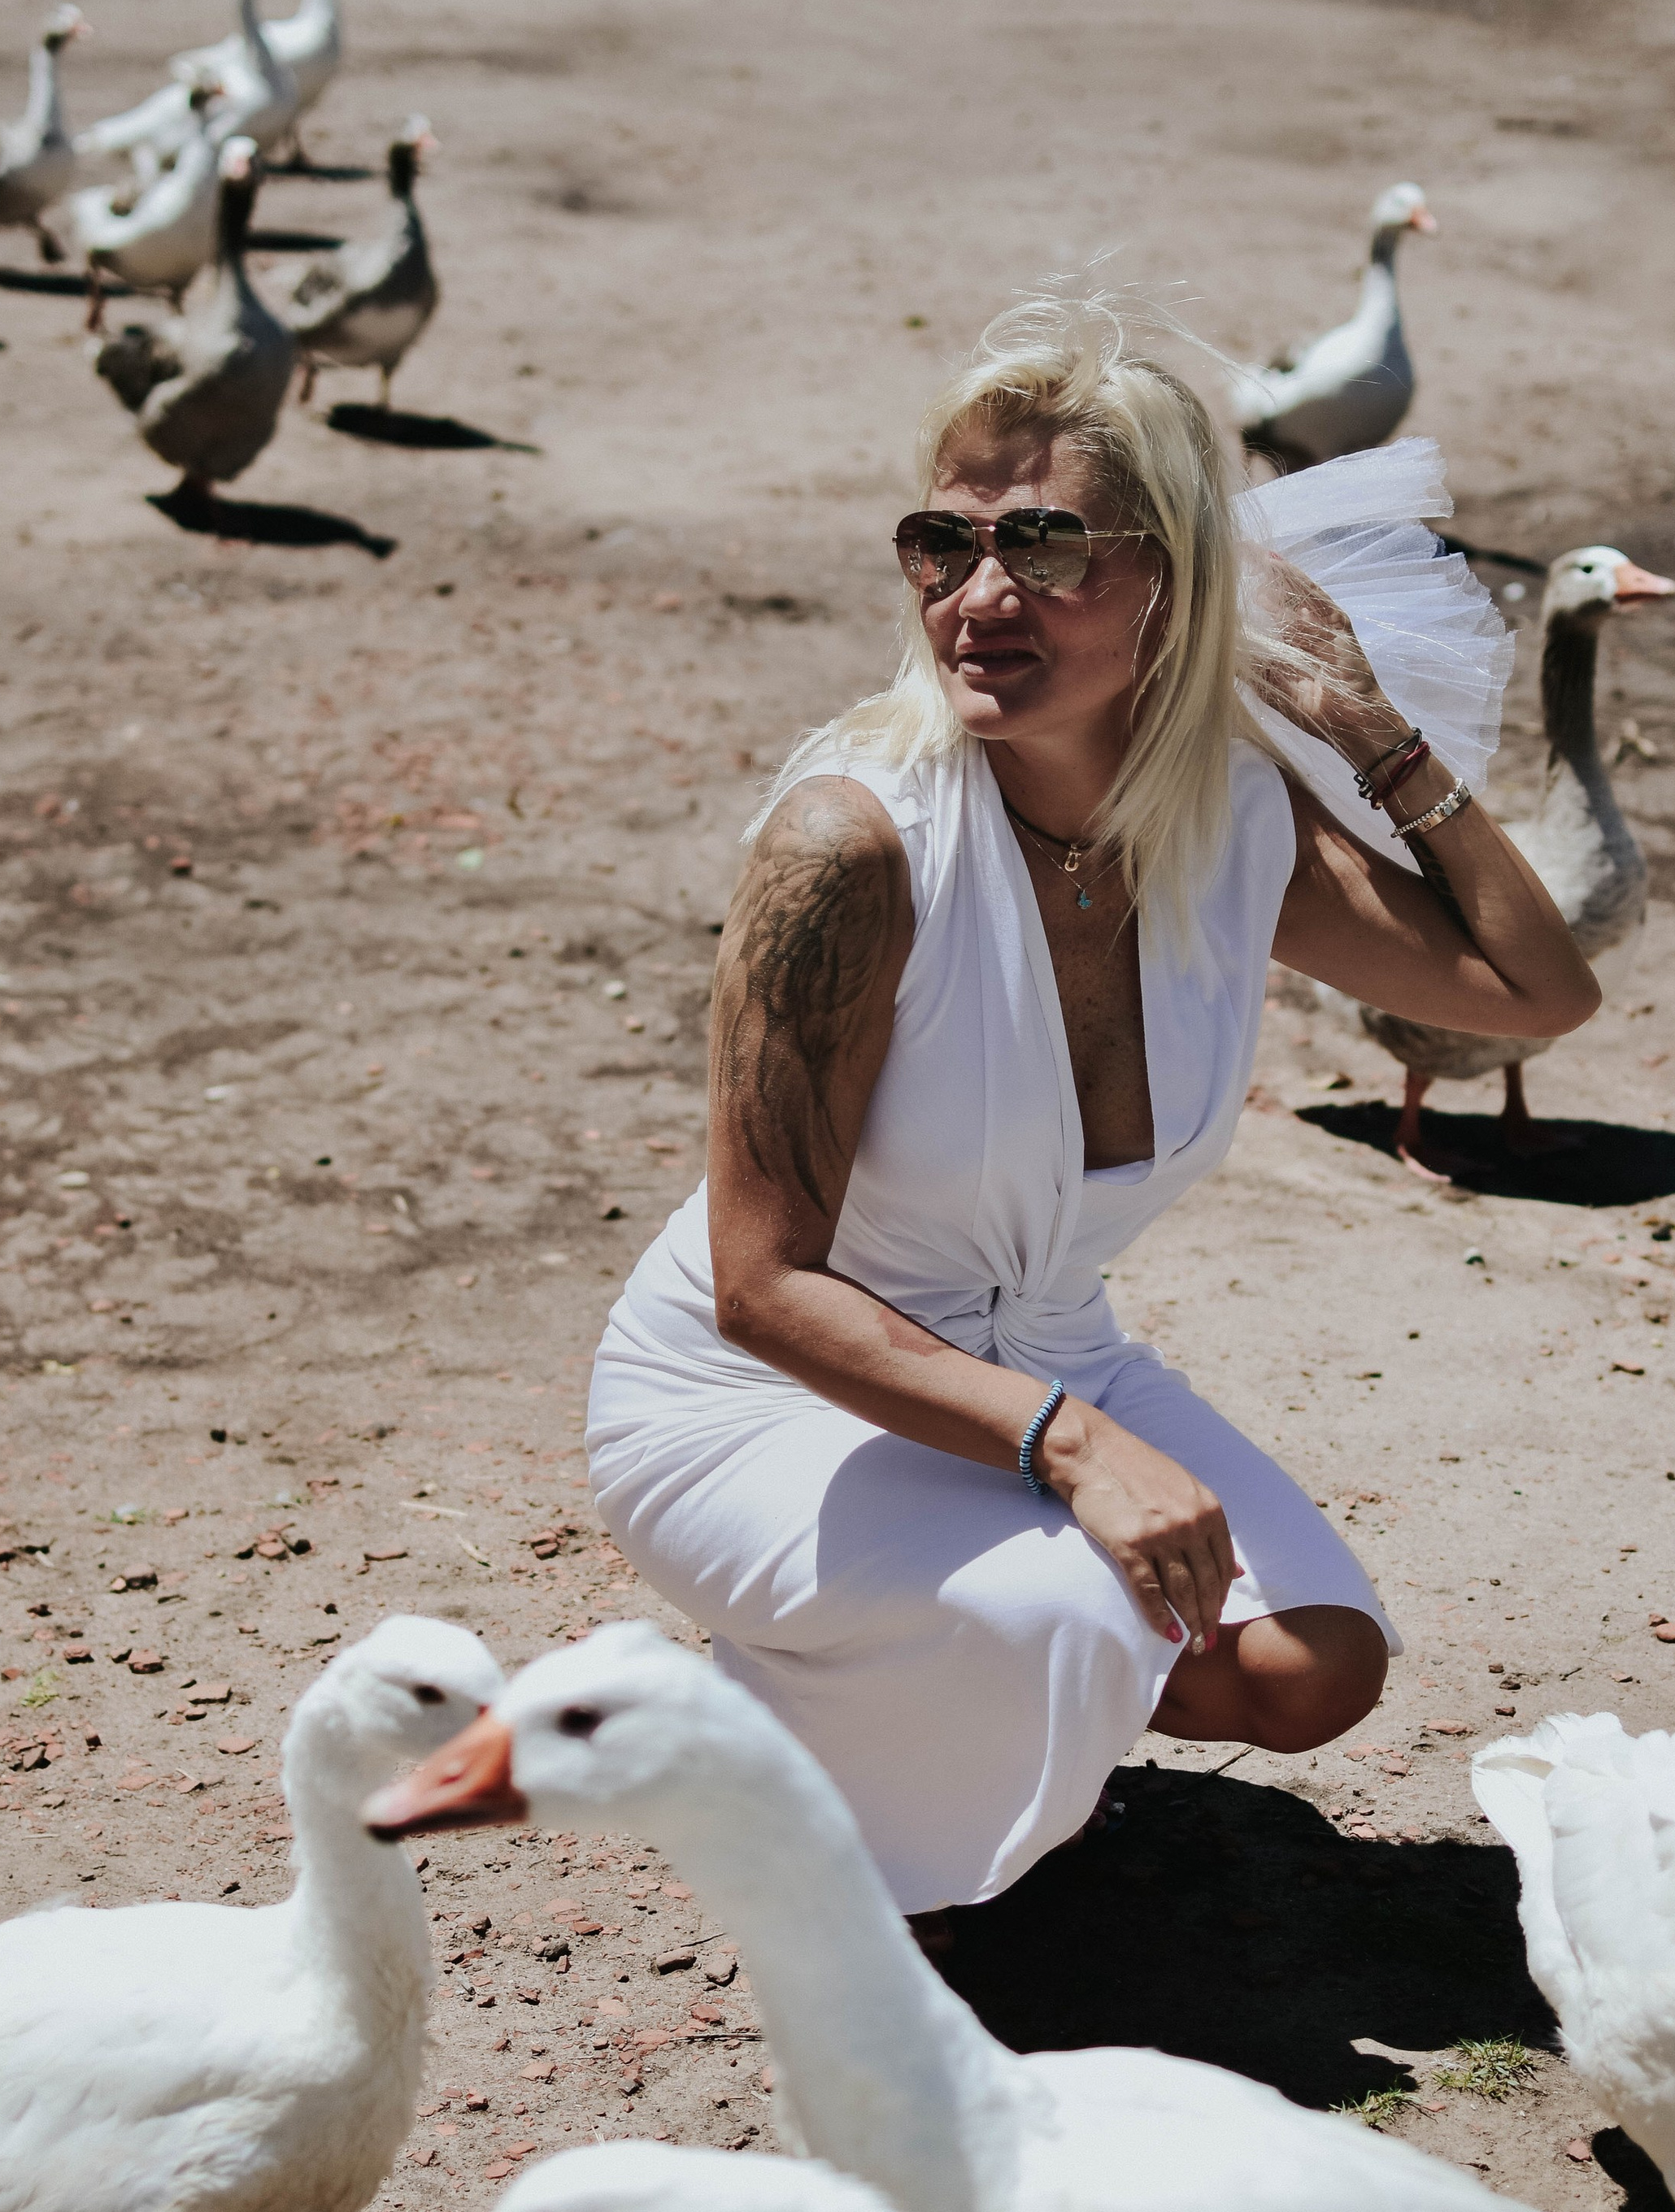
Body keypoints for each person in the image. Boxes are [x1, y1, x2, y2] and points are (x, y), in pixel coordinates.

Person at [585, 293, 1597, 1915]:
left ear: (1172, 591)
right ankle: (807, 1758)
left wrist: (1373, 733)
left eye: (1048, 550)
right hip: (759, 1402)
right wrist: (1070, 1451)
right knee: (1076, 1617)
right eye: (941, 543)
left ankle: (926, 1679)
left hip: (1042, 1351)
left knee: (1310, 1671)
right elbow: (759, 1284)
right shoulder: (851, 847)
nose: (978, 598)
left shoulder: (1230, 821)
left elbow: (1535, 994)